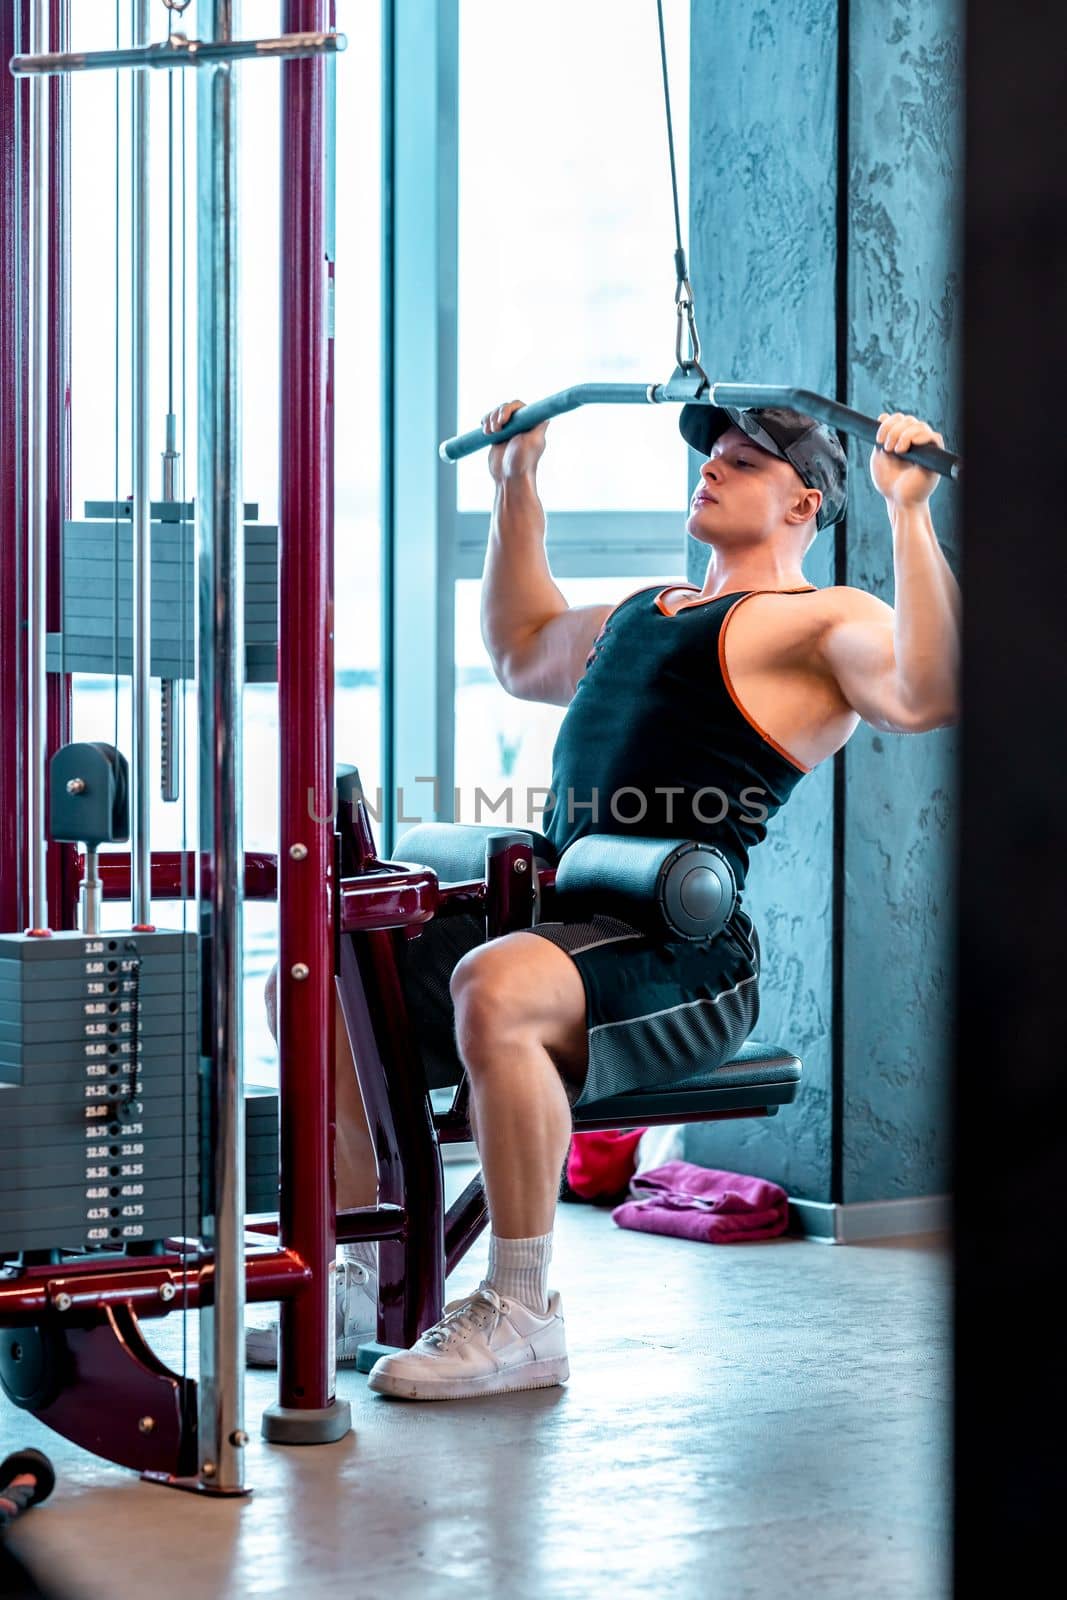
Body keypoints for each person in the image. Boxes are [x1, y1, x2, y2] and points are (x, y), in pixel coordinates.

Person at [250, 398, 961, 1399]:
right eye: (710, 453)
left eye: (744, 460)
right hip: (559, 914)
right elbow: (519, 648)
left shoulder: (822, 620)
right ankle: (354, 1286)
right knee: (313, 978)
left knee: (493, 982)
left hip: (679, 947)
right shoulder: (642, 610)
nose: (711, 466)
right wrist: (514, 482)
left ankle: (523, 1312)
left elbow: (926, 691)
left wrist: (907, 511)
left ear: (803, 501)